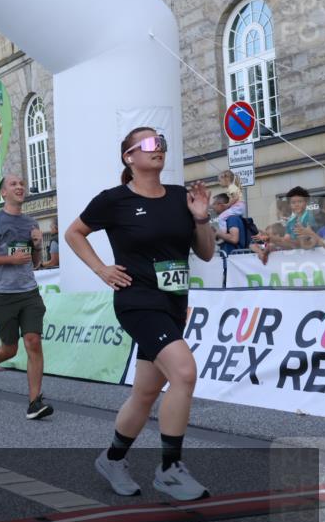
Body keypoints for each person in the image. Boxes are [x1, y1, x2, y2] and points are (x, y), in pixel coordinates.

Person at [65, 127, 215, 501]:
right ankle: (169, 468)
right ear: (129, 157)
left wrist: (201, 218)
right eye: (149, 144)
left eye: (161, 142)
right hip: (137, 301)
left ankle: (112, 458)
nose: (158, 148)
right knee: (184, 372)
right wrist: (102, 269)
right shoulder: (113, 200)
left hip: (173, 303)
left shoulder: (181, 197)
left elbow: (207, 253)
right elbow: (74, 233)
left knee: (146, 392)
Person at [0, 175, 54, 420]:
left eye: (21, 184)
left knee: (33, 341)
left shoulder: (31, 222)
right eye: (13, 184)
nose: (19, 187)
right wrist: (9, 260)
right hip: (3, 295)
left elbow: (35, 264)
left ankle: (35, 402)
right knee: (9, 349)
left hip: (28, 292)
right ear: (3, 193)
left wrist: (37, 245)